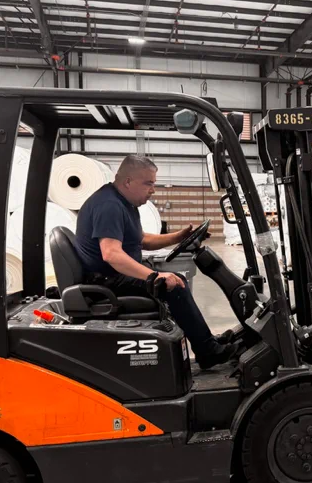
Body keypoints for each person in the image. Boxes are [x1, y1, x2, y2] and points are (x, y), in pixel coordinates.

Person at [73, 154, 237, 369]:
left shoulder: (124, 204)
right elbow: (111, 254)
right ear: (128, 181)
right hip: (108, 281)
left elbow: (142, 240)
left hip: (115, 276)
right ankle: (207, 351)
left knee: (174, 280)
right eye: (148, 183)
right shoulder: (109, 205)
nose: (153, 190)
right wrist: (155, 276)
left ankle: (206, 341)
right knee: (174, 284)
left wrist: (180, 236)